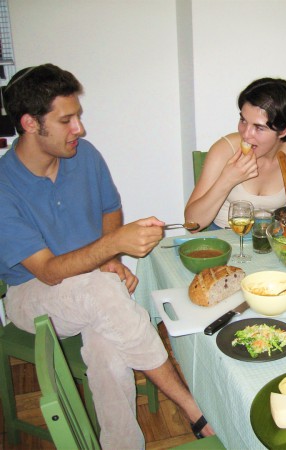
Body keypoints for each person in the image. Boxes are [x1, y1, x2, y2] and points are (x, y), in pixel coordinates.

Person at [0, 64, 214, 448]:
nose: (78, 129)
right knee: (102, 292)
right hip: (30, 295)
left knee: (109, 351)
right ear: (30, 123)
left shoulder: (83, 155)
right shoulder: (3, 187)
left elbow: (109, 209)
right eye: (66, 120)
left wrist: (106, 258)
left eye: (77, 117)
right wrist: (112, 247)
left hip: (93, 286)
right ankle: (191, 407)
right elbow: (48, 272)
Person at [185, 77, 286, 230]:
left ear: (284, 131)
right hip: (223, 240)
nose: (246, 134)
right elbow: (192, 224)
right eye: (243, 120)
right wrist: (227, 179)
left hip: (270, 242)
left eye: (259, 128)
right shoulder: (224, 150)